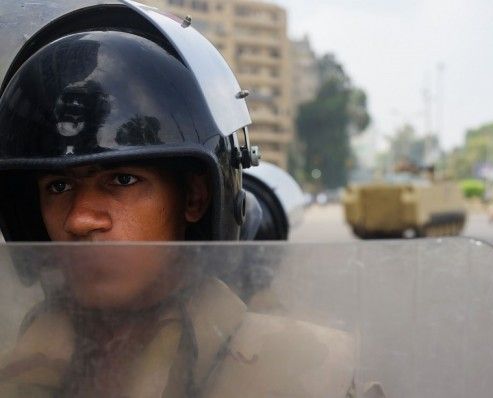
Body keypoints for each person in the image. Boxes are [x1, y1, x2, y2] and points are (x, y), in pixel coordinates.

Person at [0, 2, 362, 397]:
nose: (80, 220)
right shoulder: (20, 360)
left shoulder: (300, 376)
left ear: (194, 197)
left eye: (122, 179)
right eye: (58, 187)